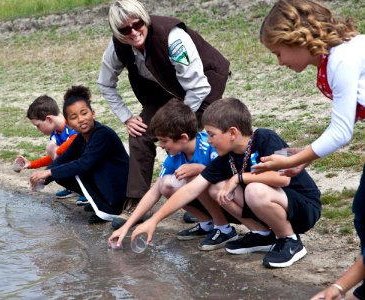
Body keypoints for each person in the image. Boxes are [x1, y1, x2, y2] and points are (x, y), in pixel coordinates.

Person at [253, 0, 364, 296]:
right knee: (364, 209)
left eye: (278, 52)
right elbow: (345, 121)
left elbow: (341, 132)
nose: (280, 62)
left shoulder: (342, 58)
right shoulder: (338, 56)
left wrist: (284, 163)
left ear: (296, 38)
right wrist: (303, 160)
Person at [131, 98, 321, 268]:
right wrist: (154, 220)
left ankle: (290, 240)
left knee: (254, 190)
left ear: (232, 133)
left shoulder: (264, 138)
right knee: (215, 188)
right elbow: (190, 190)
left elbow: (283, 178)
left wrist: (239, 178)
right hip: (272, 205)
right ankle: (262, 235)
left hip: (303, 206)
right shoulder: (225, 158)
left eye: (212, 134)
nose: (209, 141)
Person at [97, 0, 230, 224]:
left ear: (144, 19)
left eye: (137, 24)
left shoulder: (172, 38)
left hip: (202, 85)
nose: (132, 32)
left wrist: (176, 122)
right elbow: (104, 84)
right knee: (139, 134)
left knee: (188, 141)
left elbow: (197, 87)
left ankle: (203, 200)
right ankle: (137, 202)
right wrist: (127, 117)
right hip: (162, 92)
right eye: (124, 29)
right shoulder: (118, 45)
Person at [109, 99, 238, 251]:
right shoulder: (175, 155)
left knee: (195, 177)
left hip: (231, 202)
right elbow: (154, 191)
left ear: (183, 138)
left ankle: (224, 229)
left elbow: (228, 175)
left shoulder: (209, 145)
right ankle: (206, 224)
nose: (161, 145)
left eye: (164, 140)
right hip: (209, 201)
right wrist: (127, 226)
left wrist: (200, 168)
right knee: (166, 184)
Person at [29, 86, 130, 224]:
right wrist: (43, 178)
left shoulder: (102, 134)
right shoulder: (81, 138)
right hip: (106, 181)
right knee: (60, 172)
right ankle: (98, 201)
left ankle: (111, 209)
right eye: (74, 117)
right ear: (68, 123)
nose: (81, 119)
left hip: (120, 187)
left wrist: (49, 172)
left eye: (84, 113)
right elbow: (63, 159)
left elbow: (84, 164)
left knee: (72, 170)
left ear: (93, 113)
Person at [12, 95, 87, 204]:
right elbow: (56, 158)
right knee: (56, 170)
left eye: (38, 125)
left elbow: (66, 151)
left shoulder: (72, 125)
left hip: (92, 169)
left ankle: (88, 191)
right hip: (77, 166)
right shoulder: (56, 133)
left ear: (49, 119)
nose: (38, 129)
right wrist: (31, 164)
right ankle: (75, 188)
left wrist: (54, 152)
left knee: (56, 172)